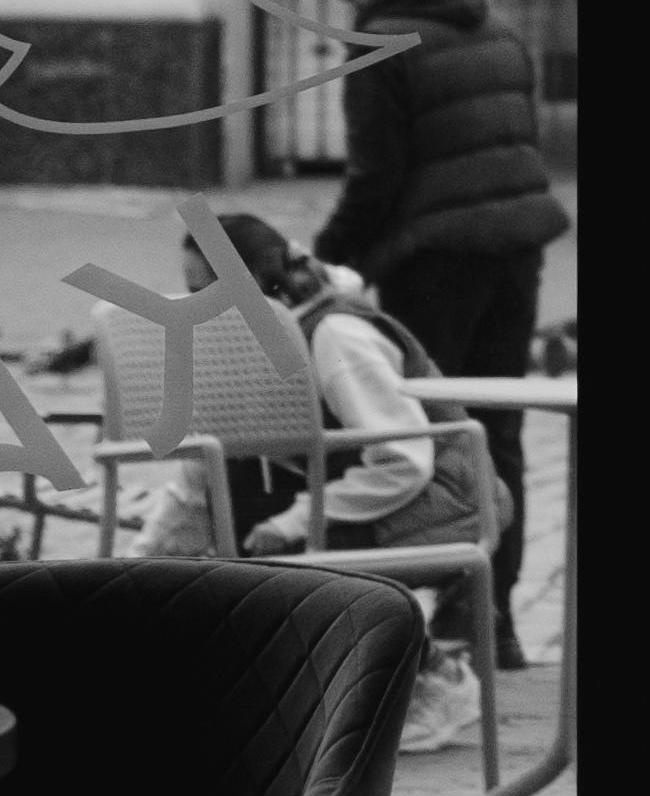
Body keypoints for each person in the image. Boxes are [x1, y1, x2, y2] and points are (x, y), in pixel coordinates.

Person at [312, 0, 568, 667]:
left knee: (435, 436)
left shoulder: (382, 42)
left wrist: (327, 265)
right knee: (500, 427)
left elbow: (376, 179)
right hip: (516, 253)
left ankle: (448, 613)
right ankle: (496, 621)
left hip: (434, 262)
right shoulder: (495, 27)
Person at [173, 211, 513, 744]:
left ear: (253, 283)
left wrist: (293, 521)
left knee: (281, 563)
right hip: (395, 490)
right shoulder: (266, 334)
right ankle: (317, 694)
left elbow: (404, 460)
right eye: (189, 292)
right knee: (242, 524)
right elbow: (210, 461)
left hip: (451, 499)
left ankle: (435, 680)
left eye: (205, 292)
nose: (196, 309)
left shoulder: (337, 336)